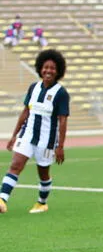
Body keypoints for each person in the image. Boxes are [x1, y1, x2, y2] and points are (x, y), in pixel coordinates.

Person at [0, 49, 69, 214]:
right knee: (15, 165)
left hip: (47, 141)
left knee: (43, 173)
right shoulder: (34, 88)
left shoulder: (61, 93)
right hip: (27, 135)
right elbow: (25, 112)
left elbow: (63, 120)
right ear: (40, 68)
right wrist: (14, 136)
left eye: (52, 68)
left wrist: (60, 146)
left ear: (58, 71)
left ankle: (42, 203)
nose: (48, 71)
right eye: (45, 67)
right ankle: (2, 200)